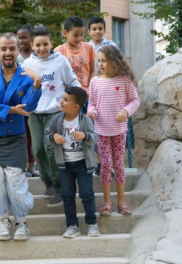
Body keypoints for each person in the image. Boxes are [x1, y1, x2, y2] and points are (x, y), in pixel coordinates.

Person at [0, 32, 42, 241]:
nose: (8, 52)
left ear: (17, 51)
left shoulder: (26, 76)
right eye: (3, 48)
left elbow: (30, 107)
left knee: (15, 181)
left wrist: (37, 83)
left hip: (15, 137)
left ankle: (21, 222)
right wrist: (12, 110)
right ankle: (3, 220)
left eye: (12, 48)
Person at [23, 26, 81, 205]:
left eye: (45, 44)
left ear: (51, 44)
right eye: (38, 45)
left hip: (55, 112)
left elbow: (72, 81)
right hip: (35, 113)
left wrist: (78, 99)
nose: (41, 48)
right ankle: (46, 180)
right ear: (32, 45)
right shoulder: (27, 64)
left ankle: (58, 186)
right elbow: (22, 87)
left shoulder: (60, 61)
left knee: (51, 148)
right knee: (37, 149)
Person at [87, 45, 140, 216]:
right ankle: (107, 202)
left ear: (115, 61)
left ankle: (121, 201)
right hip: (101, 131)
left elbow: (135, 100)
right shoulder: (95, 81)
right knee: (106, 164)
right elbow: (92, 103)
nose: (100, 64)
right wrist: (91, 111)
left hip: (119, 130)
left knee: (118, 164)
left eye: (104, 60)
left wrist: (126, 111)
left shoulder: (125, 80)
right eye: (99, 61)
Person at [44, 86, 99, 238]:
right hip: (65, 166)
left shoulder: (85, 120)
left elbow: (95, 138)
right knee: (67, 195)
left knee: (86, 194)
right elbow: (46, 136)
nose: (61, 101)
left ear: (76, 106)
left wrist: (85, 135)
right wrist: (54, 135)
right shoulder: (56, 120)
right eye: (62, 98)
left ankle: (92, 224)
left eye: (65, 100)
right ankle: (72, 225)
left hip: (83, 165)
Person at [87, 16, 118, 176]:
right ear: (89, 32)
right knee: (94, 129)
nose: (97, 31)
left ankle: (108, 164)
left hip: (109, 91)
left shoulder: (111, 45)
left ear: (104, 30)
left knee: (109, 129)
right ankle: (98, 163)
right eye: (94, 29)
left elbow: (117, 65)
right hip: (93, 91)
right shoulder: (87, 47)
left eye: (100, 28)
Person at [16, 23, 39, 178]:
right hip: (19, 100)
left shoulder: (36, 56)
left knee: (33, 137)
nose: (21, 40)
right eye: (19, 38)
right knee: (21, 135)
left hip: (34, 100)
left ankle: (32, 166)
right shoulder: (15, 55)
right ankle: (21, 166)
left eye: (24, 37)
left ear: (31, 38)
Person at [54, 16, 96, 96]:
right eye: (76, 35)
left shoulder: (89, 48)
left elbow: (92, 71)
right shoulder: (59, 51)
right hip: (68, 95)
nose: (79, 38)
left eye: (82, 35)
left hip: (86, 94)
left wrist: (90, 89)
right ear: (65, 33)